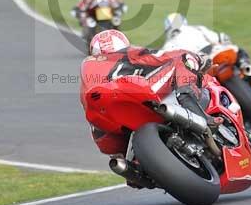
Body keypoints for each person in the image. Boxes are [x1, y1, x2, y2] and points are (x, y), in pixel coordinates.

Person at [85, 29, 217, 157]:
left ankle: (134, 171)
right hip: (137, 95)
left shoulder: (88, 66)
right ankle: (193, 105)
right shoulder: (128, 54)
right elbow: (164, 56)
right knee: (182, 58)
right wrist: (199, 58)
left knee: (118, 154)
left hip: (108, 122)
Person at [162, 13, 251, 92]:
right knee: (238, 50)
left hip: (199, 67)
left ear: (167, 28)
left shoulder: (166, 47)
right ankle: (246, 66)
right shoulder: (197, 28)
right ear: (184, 22)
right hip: (215, 53)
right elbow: (222, 38)